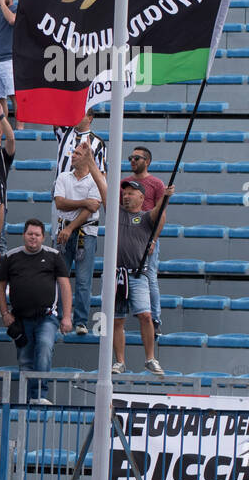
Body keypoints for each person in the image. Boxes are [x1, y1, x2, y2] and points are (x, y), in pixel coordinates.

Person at [0, 219, 72, 404]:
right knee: (24, 359)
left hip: (46, 317)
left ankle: (39, 395)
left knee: (44, 348)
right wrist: (5, 313)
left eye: (37, 235)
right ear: (24, 234)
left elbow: (65, 286)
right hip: (20, 318)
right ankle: (26, 398)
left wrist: (67, 316)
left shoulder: (53, 256)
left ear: (43, 237)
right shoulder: (11, 257)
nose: (33, 238)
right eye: (30, 234)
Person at [113, 178, 175, 376]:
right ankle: (120, 362)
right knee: (117, 319)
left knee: (146, 316)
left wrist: (165, 198)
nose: (126, 196)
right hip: (117, 275)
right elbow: (104, 190)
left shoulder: (146, 217)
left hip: (137, 274)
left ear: (142, 197)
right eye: (125, 193)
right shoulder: (117, 212)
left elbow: (157, 213)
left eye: (131, 193)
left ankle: (150, 358)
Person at [53, 143, 105, 336]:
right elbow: (60, 202)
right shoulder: (63, 176)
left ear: (86, 158)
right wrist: (83, 202)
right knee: (60, 275)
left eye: (77, 153)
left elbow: (93, 208)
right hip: (65, 229)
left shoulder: (95, 179)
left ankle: (81, 321)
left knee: (84, 280)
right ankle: (59, 317)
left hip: (84, 232)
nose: (72, 156)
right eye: (73, 152)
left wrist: (70, 227)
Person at [128, 145, 167, 336]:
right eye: (131, 158)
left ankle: (155, 319)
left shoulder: (156, 184)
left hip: (146, 237)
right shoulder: (125, 183)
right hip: (128, 237)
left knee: (150, 277)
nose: (132, 161)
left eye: (137, 158)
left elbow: (161, 215)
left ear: (147, 161)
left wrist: (153, 240)